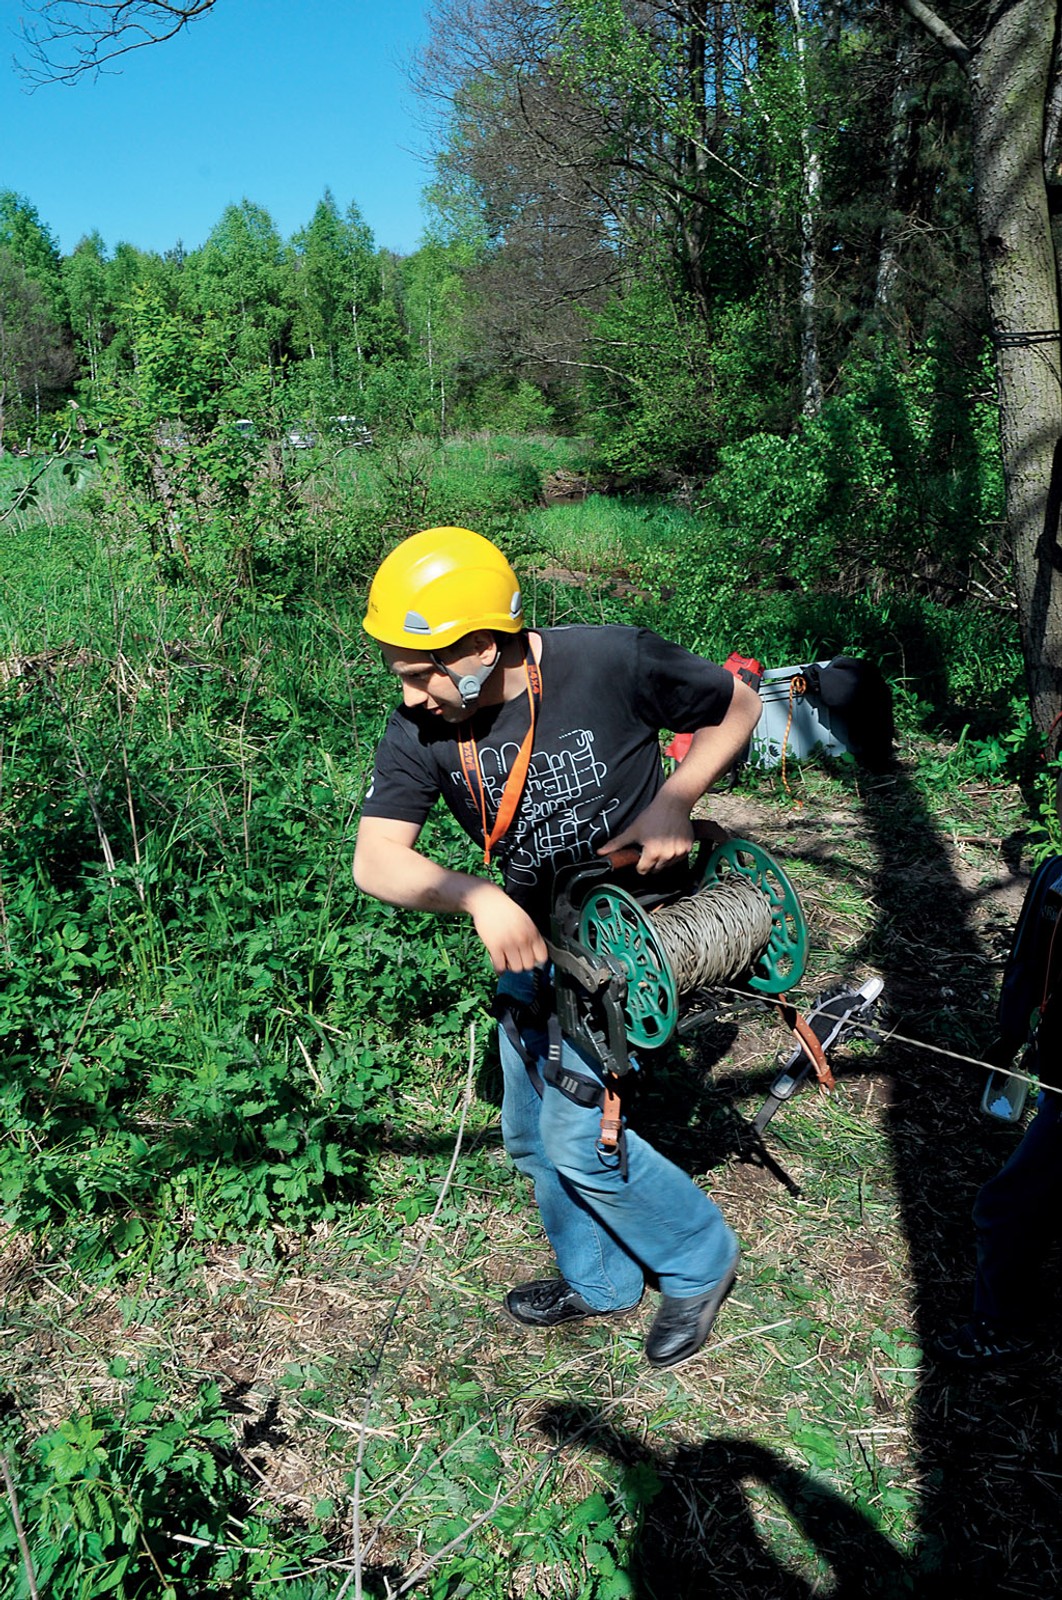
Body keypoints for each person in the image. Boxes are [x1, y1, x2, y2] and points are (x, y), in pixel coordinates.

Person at [353, 526, 763, 1368]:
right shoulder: (422, 729)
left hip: (631, 936)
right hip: (537, 942)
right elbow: (375, 860)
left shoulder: (610, 661)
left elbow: (740, 706)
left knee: (579, 1137)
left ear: (475, 646)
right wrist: (475, 895)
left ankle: (698, 1262)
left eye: (417, 674)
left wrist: (677, 798)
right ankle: (602, 1282)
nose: (413, 699)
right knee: (533, 1134)